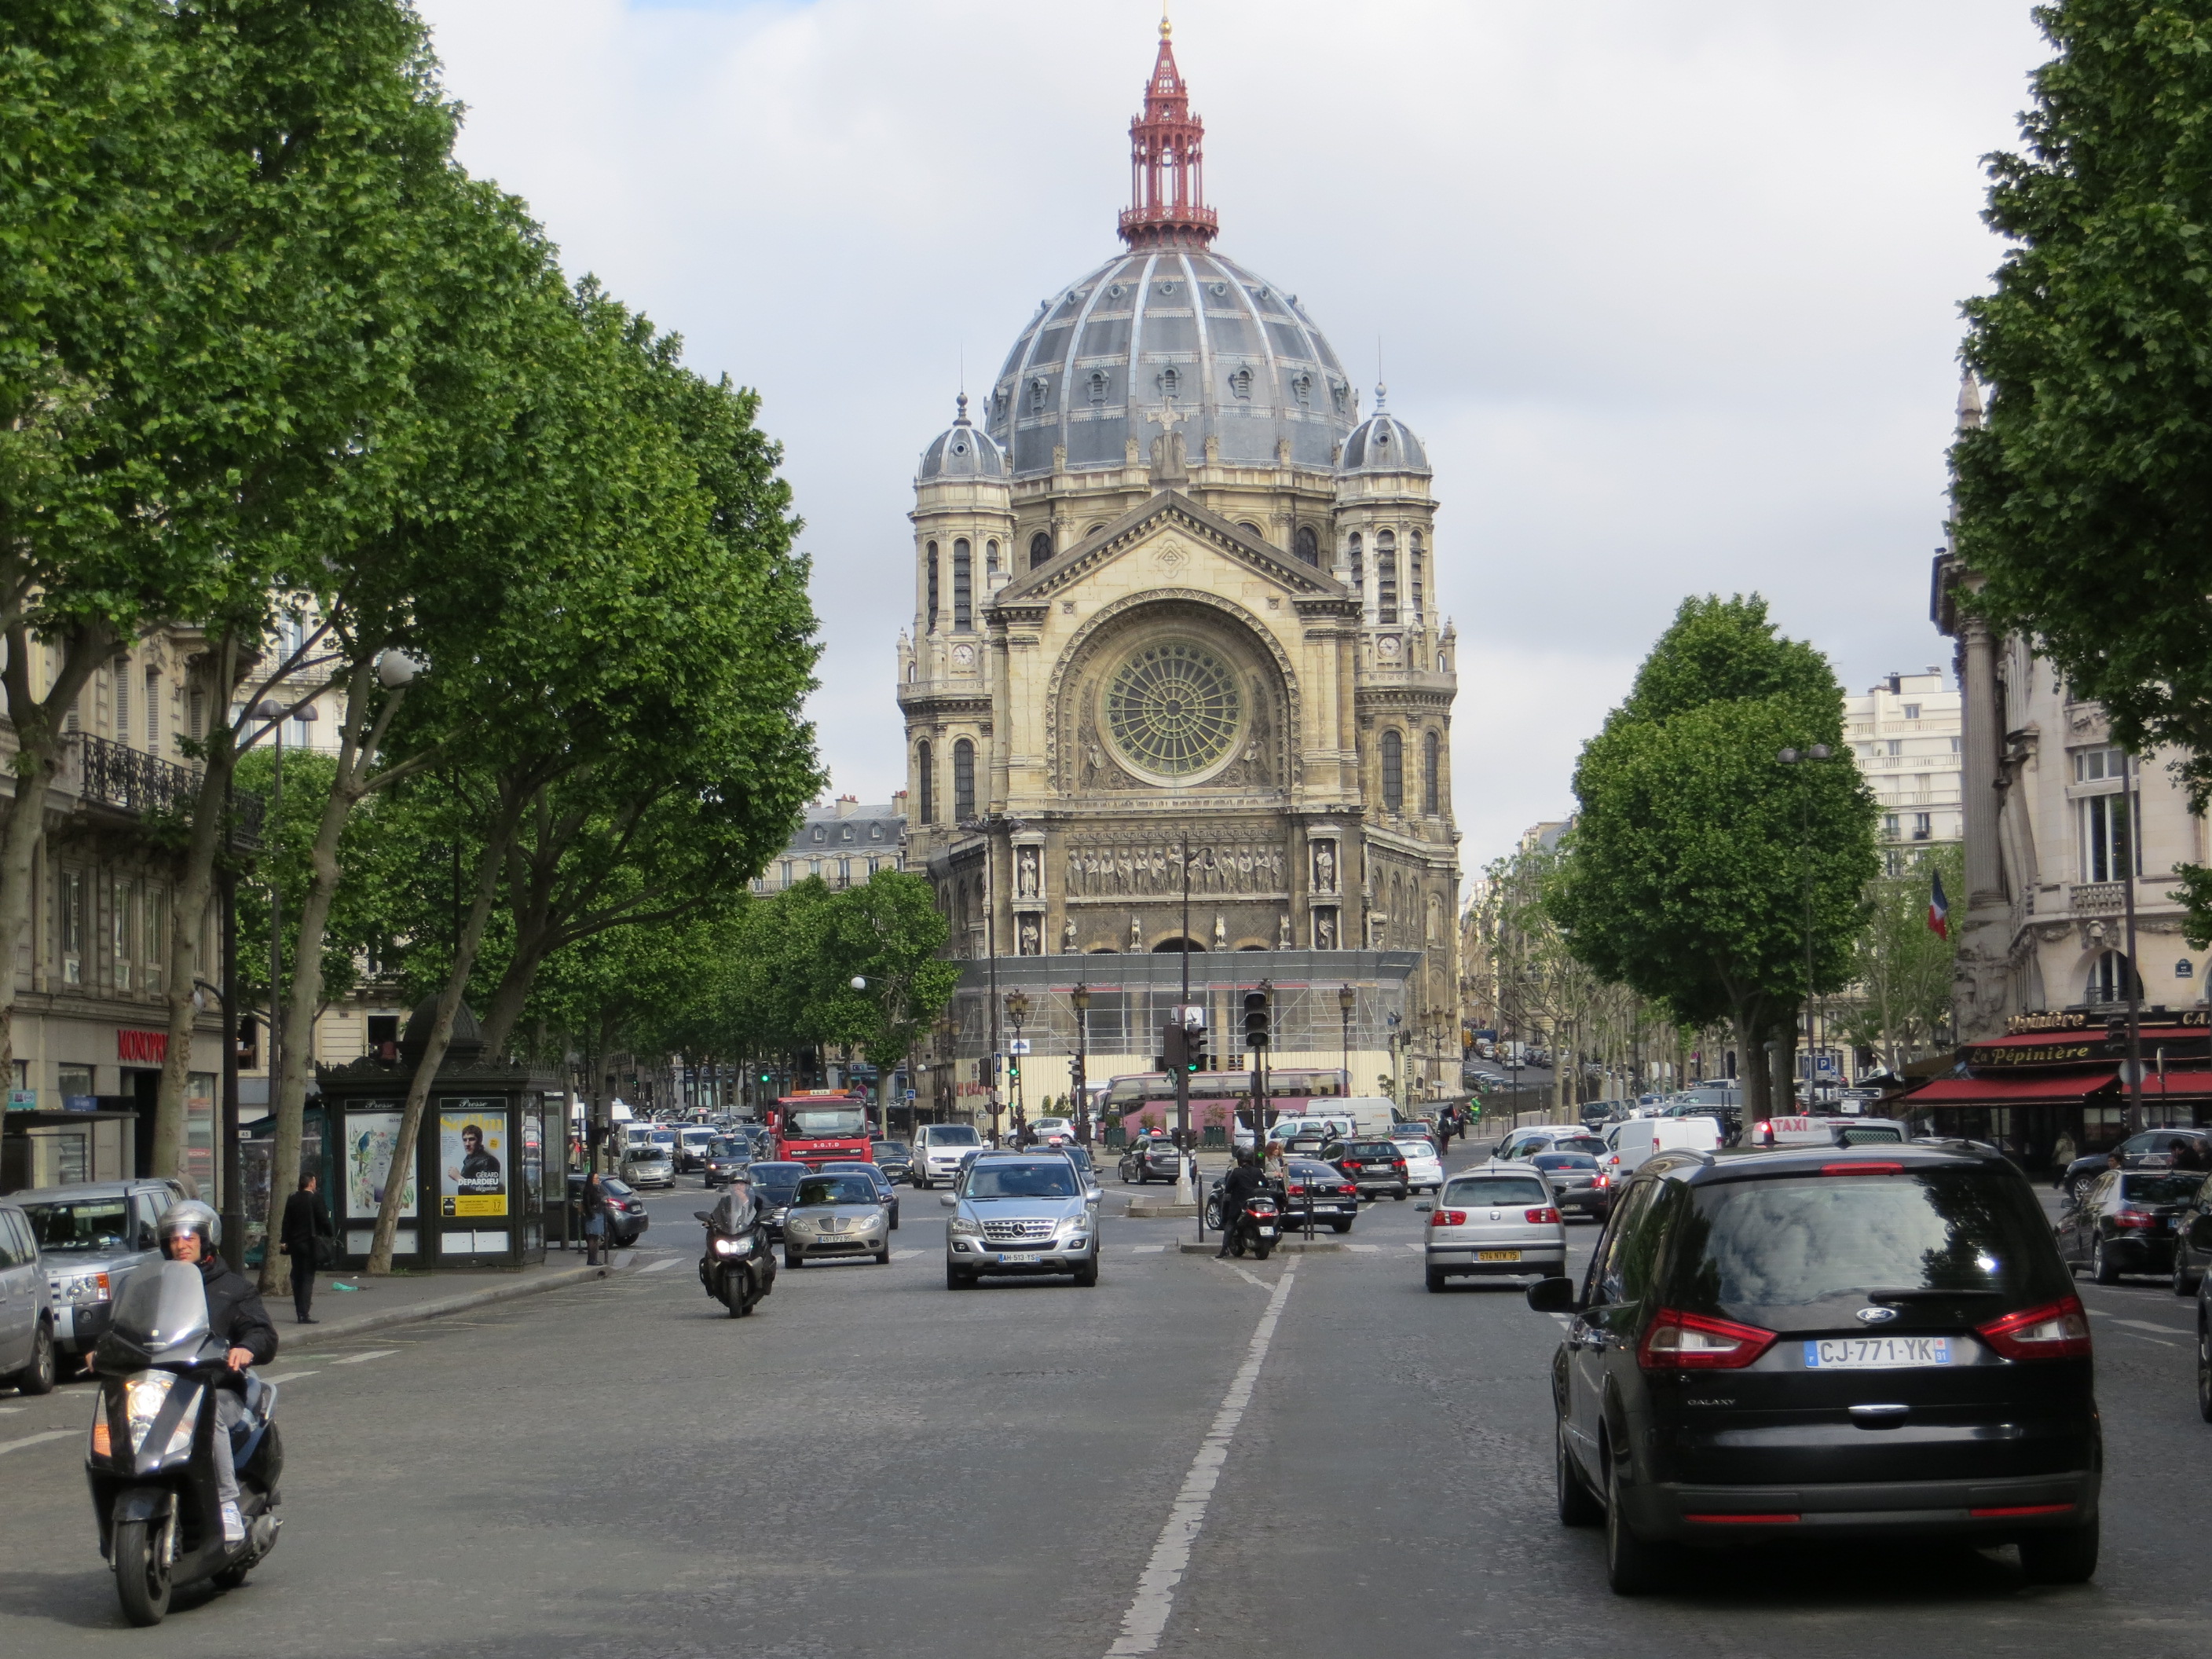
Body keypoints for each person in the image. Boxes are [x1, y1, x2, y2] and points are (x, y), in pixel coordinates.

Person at [148, 1203, 276, 1547]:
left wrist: (246, 1347)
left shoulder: (233, 1288)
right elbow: (127, 1324)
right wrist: (102, 1345)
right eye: (174, 1239)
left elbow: (262, 1332)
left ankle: (225, 1503)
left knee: (210, 1408)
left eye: (190, 1237)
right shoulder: (156, 1287)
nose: (181, 1245)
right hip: (164, 1390)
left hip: (218, 1388)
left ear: (207, 1241)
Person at [280, 1170, 335, 1324]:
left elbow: (286, 1221)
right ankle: (304, 1313)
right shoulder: (315, 1198)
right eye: (314, 1181)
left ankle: (299, 1309)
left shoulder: (293, 1198)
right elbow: (323, 1219)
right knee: (307, 1278)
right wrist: (330, 1234)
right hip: (310, 1244)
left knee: (297, 1276)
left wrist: (284, 1240)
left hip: (295, 1244)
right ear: (311, 1183)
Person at [1217, 1153, 1263, 1258]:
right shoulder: (1257, 1171)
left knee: (1231, 1223)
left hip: (1239, 1204)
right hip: (1255, 1203)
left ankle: (1224, 1249)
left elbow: (1228, 1187)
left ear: (1240, 1161)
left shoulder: (1237, 1172)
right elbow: (1265, 1183)